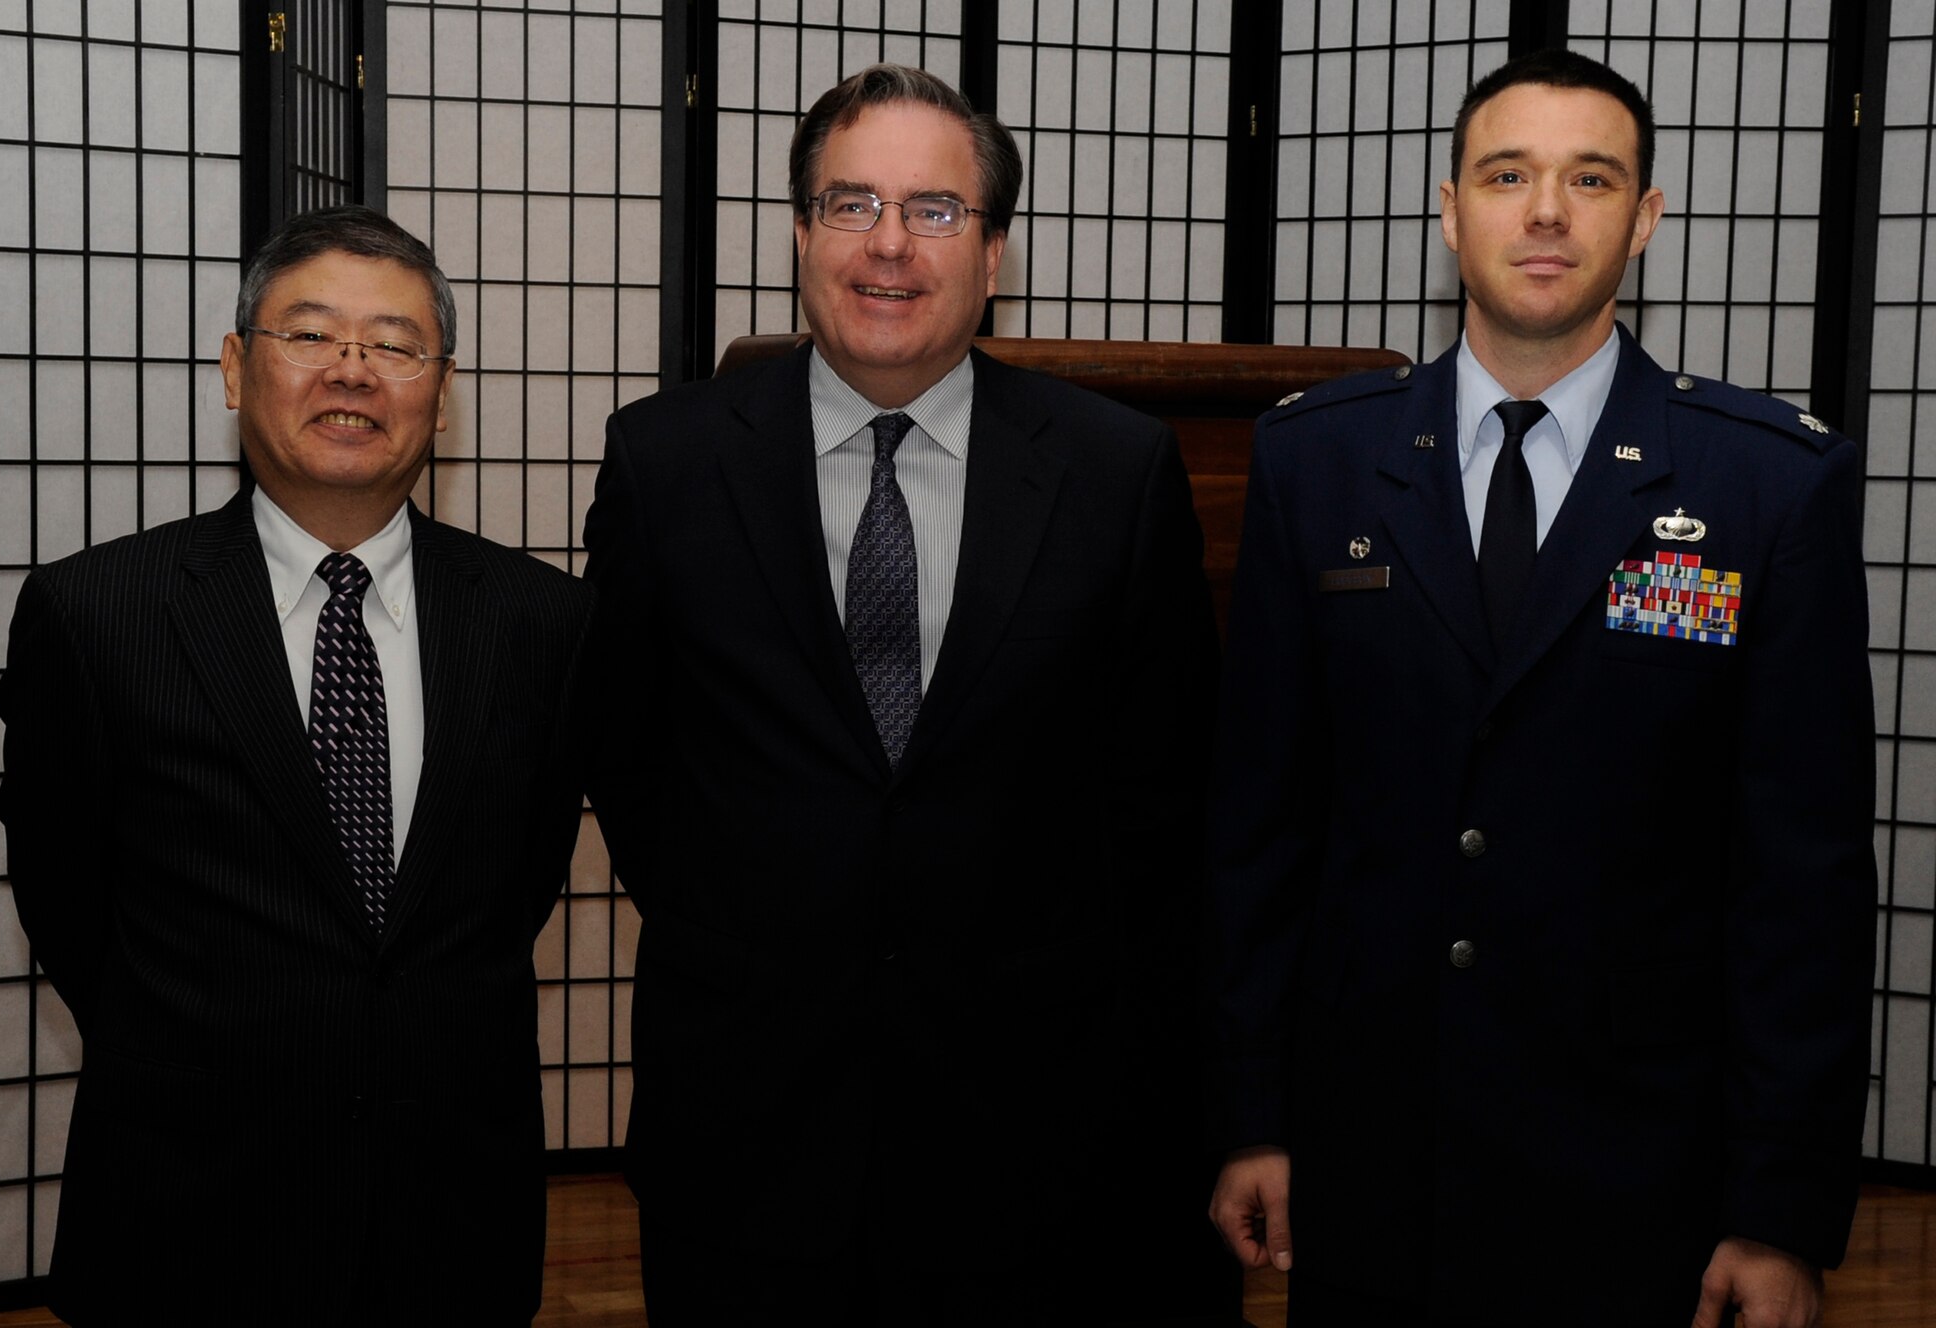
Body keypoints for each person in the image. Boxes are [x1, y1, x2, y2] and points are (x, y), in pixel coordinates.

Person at [1205, 49, 1874, 1328]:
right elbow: (1258, 834)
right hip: (1368, 1170)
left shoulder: (1765, 487)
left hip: (1641, 1190)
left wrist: (1776, 1210)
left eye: (1590, 177)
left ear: (1647, 216)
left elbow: (1805, 884)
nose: (1547, 212)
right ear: (1449, 207)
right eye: (1507, 174)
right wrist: (1248, 1115)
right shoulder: (1316, 462)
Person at [584, 63, 1231, 1324]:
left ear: (993, 252)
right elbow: (629, 753)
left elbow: (1158, 794)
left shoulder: (1114, 471)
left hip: (1034, 1127)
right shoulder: (665, 461)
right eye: (850, 203)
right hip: (747, 1119)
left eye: (935, 209)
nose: (889, 242)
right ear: (797, 236)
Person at [0, 205, 595, 1325]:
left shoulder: (541, 621)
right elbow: (66, 897)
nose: (352, 372)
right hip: (190, 1204)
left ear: (442, 389)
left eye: (395, 344)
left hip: (449, 1217)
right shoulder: (96, 612)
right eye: (310, 334)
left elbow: (520, 884)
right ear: (235, 367)